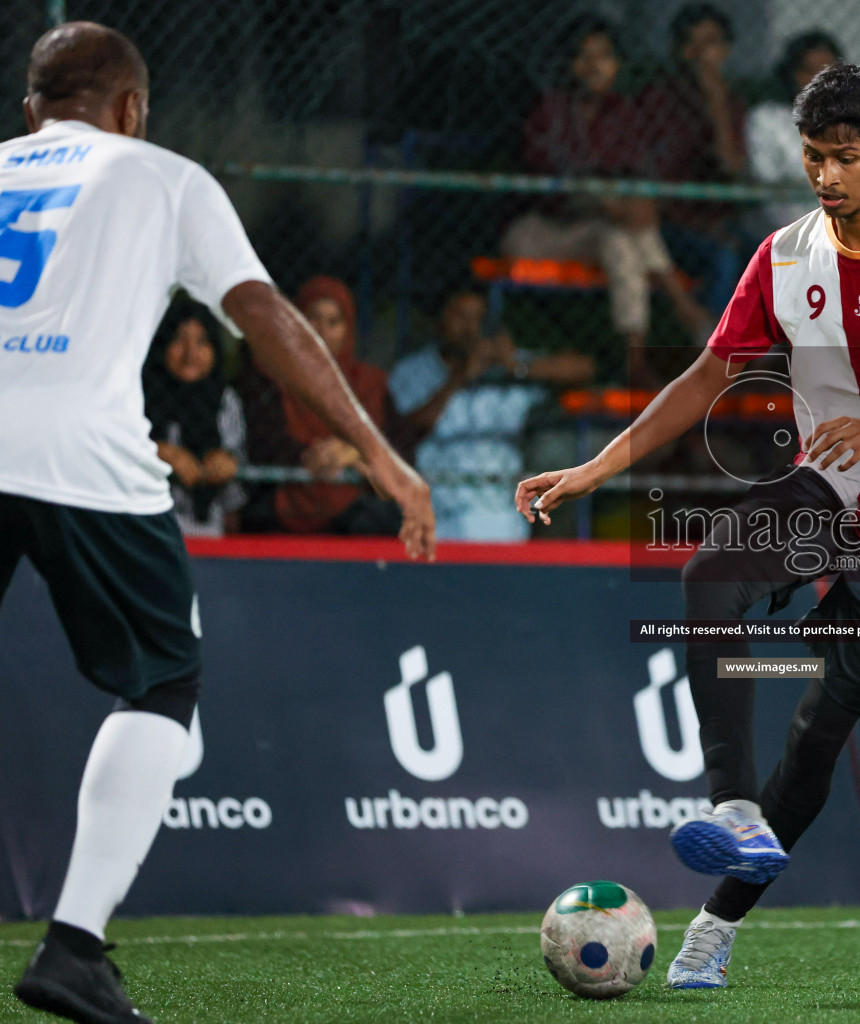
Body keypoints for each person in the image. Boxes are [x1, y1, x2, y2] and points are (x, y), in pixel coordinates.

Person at [517, 63, 860, 990]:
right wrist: (593, 470)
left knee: (816, 733)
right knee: (706, 573)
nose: (827, 178)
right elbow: (707, 378)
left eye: (845, 159)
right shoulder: (787, 256)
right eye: (812, 159)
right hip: (826, 498)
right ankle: (733, 811)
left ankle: (715, 928)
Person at [0, 23, 432, 1024]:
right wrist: (378, 450)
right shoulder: (164, 176)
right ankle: (72, 949)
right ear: (133, 109)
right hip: (83, 450)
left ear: (29, 112)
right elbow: (267, 318)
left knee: (161, 699)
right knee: (164, 678)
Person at [500, 15, 709, 347]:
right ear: (569, 65)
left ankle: (634, 358)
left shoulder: (622, 113)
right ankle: (686, 311)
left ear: (617, 63)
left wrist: (633, 204)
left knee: (620, 242)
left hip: (604, 230)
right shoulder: (550, 111)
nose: (595, 66)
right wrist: (606, 202)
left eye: (604, 56)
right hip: (543, 231)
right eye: (584, 56)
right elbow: (550, 185)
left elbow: (636, 172)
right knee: (622, 233)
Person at [392, 288, 593, 541]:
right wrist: (460, 378)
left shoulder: (505, 367)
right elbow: (407, 429)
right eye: (460, 316)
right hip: (438, 514)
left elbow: (583, 368)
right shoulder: (413, 371)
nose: (469, 328)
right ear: (439, 322)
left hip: (504, 518)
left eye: (478, 318)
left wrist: (518, 368)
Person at [269, 275, 406, 535]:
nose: (321, 329)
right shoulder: (275, 379)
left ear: (349, 328)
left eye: (334, 322)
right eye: (313, 318)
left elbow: (401, 444)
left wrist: (357, 453)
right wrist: (320, 453)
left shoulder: (369, 383)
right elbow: (267, 442)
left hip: (358, 509)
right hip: (290, 503)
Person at [639, 4, 748, 318]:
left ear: (725, 50)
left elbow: (731, 166)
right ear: (679, 51)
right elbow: (656, 187)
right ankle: (708, 353)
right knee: (723, 257)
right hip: (671, 226)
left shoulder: (731, 105)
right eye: (692, 44)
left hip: (719, 224)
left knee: (775, 254)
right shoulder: (658, 101)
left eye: (711, 44)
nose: (701, 55)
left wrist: (715, 105)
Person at [142, 303, 246, 537]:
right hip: (144, 530)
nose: (190, 353)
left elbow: (235, 502)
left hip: (207, 532)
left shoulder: (224, 401)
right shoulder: (138, 396)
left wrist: (228, 464)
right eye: (179, 340)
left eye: (202, 342)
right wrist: (159, 453)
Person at [745, 30, 842, 235]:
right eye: (809, 71)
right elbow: (767, 181)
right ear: (791, 74)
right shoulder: (767, 119)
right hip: (786, 225)